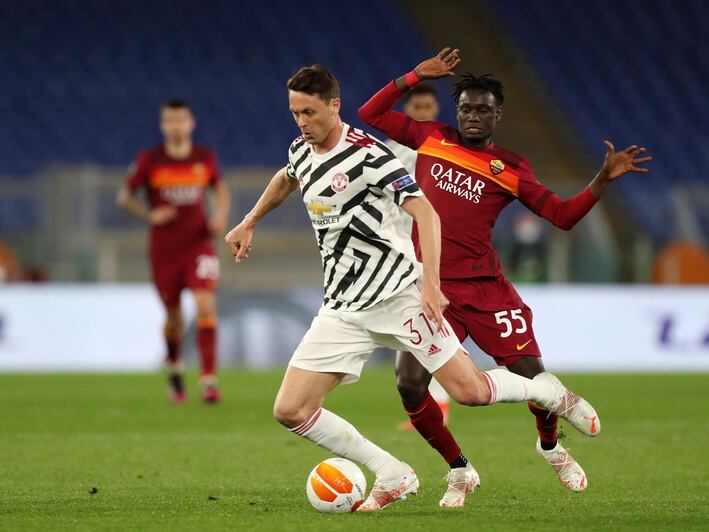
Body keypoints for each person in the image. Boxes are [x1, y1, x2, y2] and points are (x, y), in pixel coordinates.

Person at [224, 64, 601, 512]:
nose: (302, 122)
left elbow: (426, 213)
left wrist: (429, 284)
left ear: (333, 105)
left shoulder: (370, 156)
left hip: (399, 297)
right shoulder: (301, 149)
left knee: (471, 393)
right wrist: (249, 221)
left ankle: (547, 392)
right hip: (343, 306)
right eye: (294, 113)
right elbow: (288, 176)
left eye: (309, 112)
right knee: (290, 409)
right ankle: (393, 473)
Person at [359, 48, 650, 504]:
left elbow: (561, 215)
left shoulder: (511, 169)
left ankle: (551, 447)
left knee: (534, 374)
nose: (474, 116)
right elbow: (369, 112)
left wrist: (601, 178)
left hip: (485, 289)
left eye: (484, 110)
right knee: (409, 384)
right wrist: (416, 75)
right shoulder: (430, 137)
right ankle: (459, 470)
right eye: (467, 108)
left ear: (499, 115)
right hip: (430, 287)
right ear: (456, 111)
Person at [117, 99, 230, 404]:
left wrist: (219, 216)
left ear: (190, 123)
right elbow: (124, 196)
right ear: (163, 125)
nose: (176, 126)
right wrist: (149, 214)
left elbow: (219, 189)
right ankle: (176, 367)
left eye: (181, 120)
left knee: (206, 307)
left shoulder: (204, 157)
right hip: (164, 249)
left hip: (198, 244)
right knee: (174, 319)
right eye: (170, 121)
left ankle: (208, 379)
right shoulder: (150, 160)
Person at [384, 83, 452, 431]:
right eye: (417, 107)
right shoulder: (389, 152)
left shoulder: (447, 152)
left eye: (429, 107)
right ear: (407, 112)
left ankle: (438, 402)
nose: (423, 113)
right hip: (400, 251)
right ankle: (433, 402)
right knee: (419, 330)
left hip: (431, 251)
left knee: (428, 327)